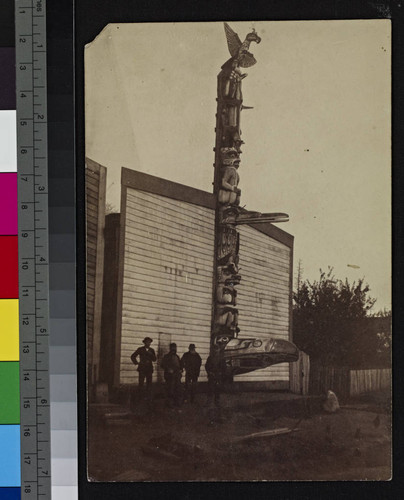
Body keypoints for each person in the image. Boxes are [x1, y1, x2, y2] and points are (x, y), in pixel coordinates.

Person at [161, 343, 183, 407]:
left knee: (178, 389)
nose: (174, 349)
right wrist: (168, 369)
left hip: (177, 376)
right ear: (170, 348)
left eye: (175, 347)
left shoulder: (177, 357)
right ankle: (169, 403)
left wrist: (181, 369)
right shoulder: (166, 356)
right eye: (173, 348)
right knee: (170, 390)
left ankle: (177, 402)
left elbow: (181, 365)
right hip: (169, 376)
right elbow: (162, 365)